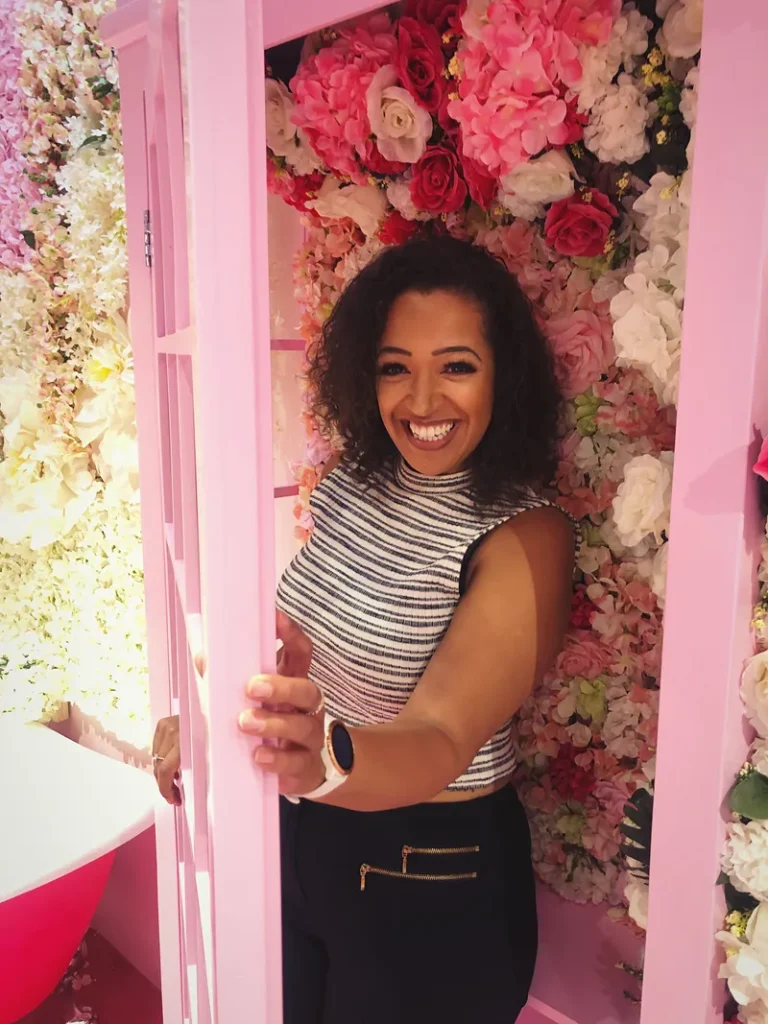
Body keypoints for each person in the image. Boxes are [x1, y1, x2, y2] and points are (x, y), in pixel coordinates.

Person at [152, 236, 579, 1023]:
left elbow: (443, 733)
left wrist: (323, 757)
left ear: (503, 377)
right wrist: (221, 723)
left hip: (431, 872)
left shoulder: (528, 533)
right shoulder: (359, 477)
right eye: (394, 366)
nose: (421, 401)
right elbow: (300, 638)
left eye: (456, 365)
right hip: (306, 836)